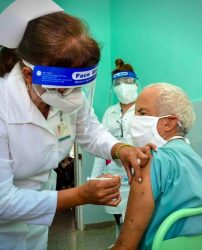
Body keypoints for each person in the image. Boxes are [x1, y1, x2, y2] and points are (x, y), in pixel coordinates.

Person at [0, 1, 151, 249]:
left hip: (34, 226)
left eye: (80, 85)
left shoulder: (66, 93)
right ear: (29, 75)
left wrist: (121, 149)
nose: (75, 95)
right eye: (66, 86)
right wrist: (80, 195)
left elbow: (90, 131)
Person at [112, 83, 202, 250]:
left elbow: (125, 246)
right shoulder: (197, 159)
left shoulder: (149, 160)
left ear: (168, 123)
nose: (133, 119)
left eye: (142, 112)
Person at [90, 58, 138, 241]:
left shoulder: (145, 108)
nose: (123, 86)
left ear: (135, 82)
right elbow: (101, 149)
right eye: (118, 83)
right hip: (114, 176)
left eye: (127, 81)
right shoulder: (110, 112)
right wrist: (96, 178)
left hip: (138, 176)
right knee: (119, 220)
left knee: (137, 222)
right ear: (113, 86)